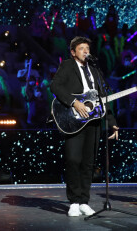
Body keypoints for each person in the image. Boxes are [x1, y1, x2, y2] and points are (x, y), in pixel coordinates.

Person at [50, 36, 119, 217]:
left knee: (89, 163)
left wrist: (111, 123)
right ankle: (73, 201)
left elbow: (104, 96)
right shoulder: (67, 66)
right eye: (81, 48)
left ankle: (83, 201)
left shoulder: (95, 70)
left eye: (87, 48)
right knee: (73, 160)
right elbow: (55, 86)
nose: (85, 51)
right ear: (73, 52)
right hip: (74, 120)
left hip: (94, 121)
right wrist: (74, 102)